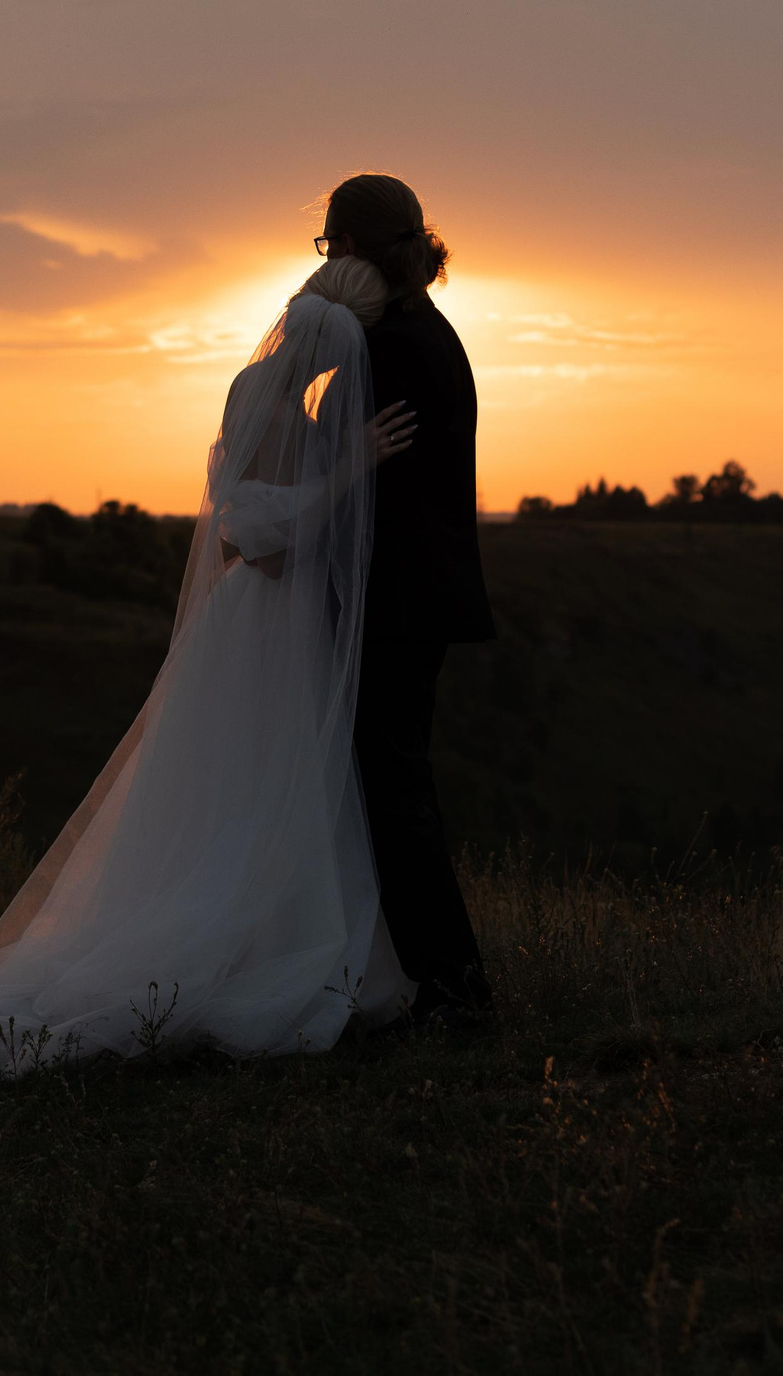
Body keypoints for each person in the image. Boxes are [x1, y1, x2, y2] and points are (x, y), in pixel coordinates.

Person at [0, 245, 425, 1073]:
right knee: (265, 784)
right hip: (271, 623)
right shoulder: (291, 417)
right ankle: (240, 956)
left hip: (246, 624)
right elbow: (263, 543)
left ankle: (260, 937)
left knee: (231, 787)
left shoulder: (252, 390)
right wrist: (349, 468)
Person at [315, 173, 497, 1024]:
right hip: (423, 596)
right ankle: (427, 977)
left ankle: (453, 985)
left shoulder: (385, 343)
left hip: (397, 601)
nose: (326, 262)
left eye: (330, 246)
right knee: (393, 786)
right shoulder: (433, 331)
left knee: (393, 791)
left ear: (356, 248)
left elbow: (326, 462)